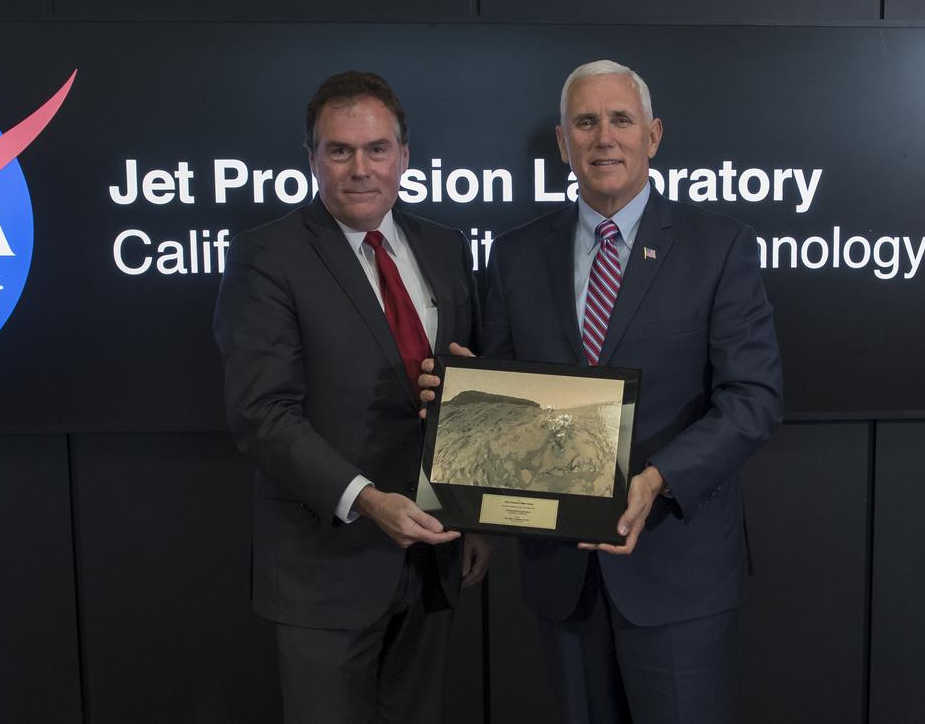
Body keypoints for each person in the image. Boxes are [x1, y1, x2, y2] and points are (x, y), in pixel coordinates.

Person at [425, 60, 783, 723]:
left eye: (620, 120)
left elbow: (754, 398)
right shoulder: (515, 255)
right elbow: (509, 396)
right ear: (563, 143)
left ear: (653, 135)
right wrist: (467, 394)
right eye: (585, 122)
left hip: (676, 568)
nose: (603, 138)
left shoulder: (718, 247)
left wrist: (657, 480)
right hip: (562, 577)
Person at [213, 70, 491, 724]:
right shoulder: (267, 256)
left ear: (404, 157)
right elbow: (261, 414)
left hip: (433, 559)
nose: (359, 168)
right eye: (339, 151)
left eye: (376, 149)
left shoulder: (445, 248)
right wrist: (368, 501)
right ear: (312, 158)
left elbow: (467, 388)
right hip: (325, 572)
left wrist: (475, 516)